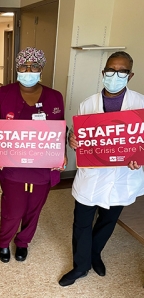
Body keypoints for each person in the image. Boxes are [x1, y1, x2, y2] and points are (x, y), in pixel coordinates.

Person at [59, 51, 144, 287]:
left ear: (130, 74)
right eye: (110, 70)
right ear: (103, 72)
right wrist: (72, 140)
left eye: (122, 71)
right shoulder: (88, 103)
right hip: (92, 175)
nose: (114, 76)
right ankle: (80, 266)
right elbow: (78, 136)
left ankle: (95, 254)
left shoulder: (141, 104)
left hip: (123, 175)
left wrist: (140, 157)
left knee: (108, 220)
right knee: (82, 222)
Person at [0, 47, 67, 263]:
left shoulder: (54, 97)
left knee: (34, 208)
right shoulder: (3, 94)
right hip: (12, 166)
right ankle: (4, 242)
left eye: (34, 66)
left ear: (42, 69)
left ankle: (23, 242)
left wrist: (62, 154)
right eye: (24, 66)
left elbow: (60, 130)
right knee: (13, 210)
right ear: (17, 68)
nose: (28, 70)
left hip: (43, 167)